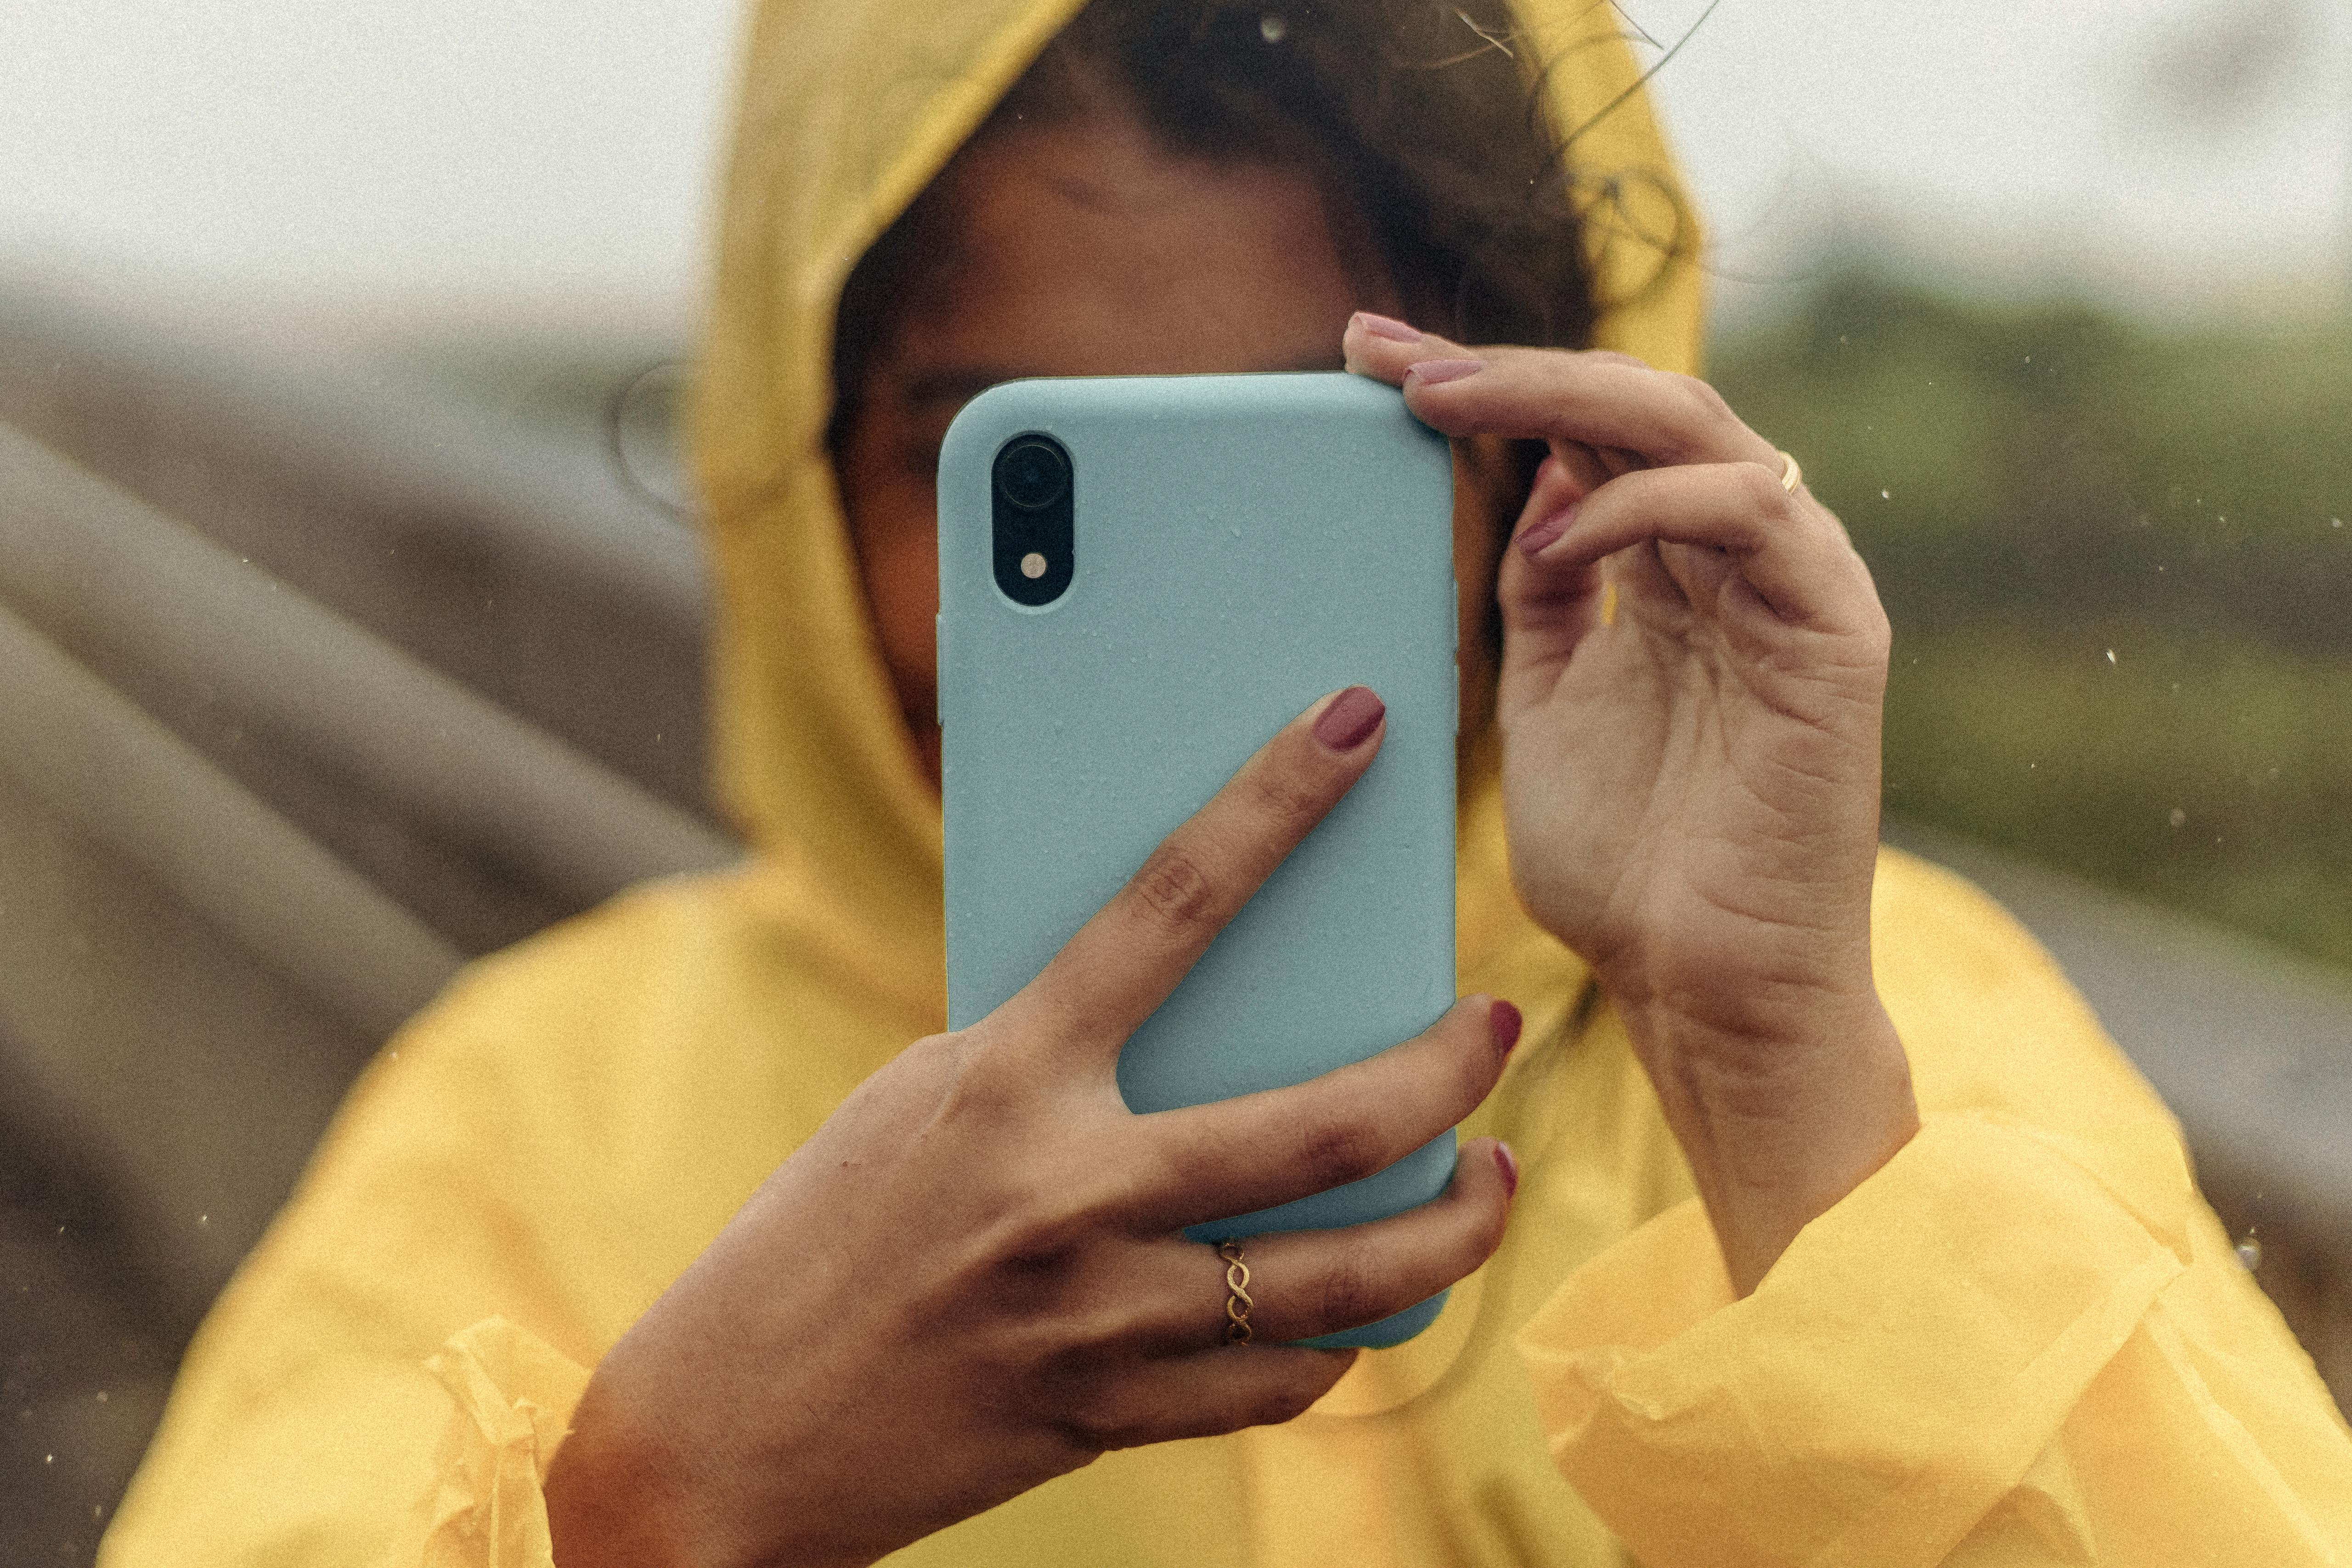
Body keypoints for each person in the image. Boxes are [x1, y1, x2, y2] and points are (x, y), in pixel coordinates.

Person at [102, 0, 2352, 1563]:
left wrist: (1791, 1110)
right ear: (799, 483)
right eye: (1009, 483)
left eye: (1318, 481)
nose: (1174, 664)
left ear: (1530, 479)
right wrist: (662, 1509)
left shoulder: (1873, 1038)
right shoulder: (545, 1108)